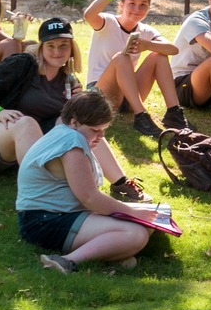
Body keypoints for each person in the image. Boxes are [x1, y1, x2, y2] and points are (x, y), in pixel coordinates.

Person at [0, 19, 142, 202]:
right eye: (51, 45)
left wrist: (78, 102)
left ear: (71, 48)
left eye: (63, 45)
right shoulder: (23, 64)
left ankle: (120, 183)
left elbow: (65, 125)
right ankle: (39, 194)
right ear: (41, 47)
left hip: (28, 153)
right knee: (25, 122)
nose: (57, 51)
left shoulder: (67, 80)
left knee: (82, 122)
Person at [16, 90, 155, 274]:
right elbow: (90, 197)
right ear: (74, 122)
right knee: (135, 234)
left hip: (58, 215)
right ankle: (66, 261)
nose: (100, 137)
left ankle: (108, 255)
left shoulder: (65, 133)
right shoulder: (72, 141)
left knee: (147, 222)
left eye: (103, 131)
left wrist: (133, 213)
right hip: (44, 221)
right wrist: (131, 212)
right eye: (95, 130)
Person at [83, 0, 184, 136]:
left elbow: (173, 49)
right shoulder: (107, 22)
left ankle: (174, 113)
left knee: (158, 55)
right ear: (121, 5)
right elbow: (88, 15)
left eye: (143, 5)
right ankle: (141, 117)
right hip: (100, 95)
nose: (137, 9)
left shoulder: (145, 31)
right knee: (122, 58)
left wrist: (148, 45)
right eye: (132, 3)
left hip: (126, 97)